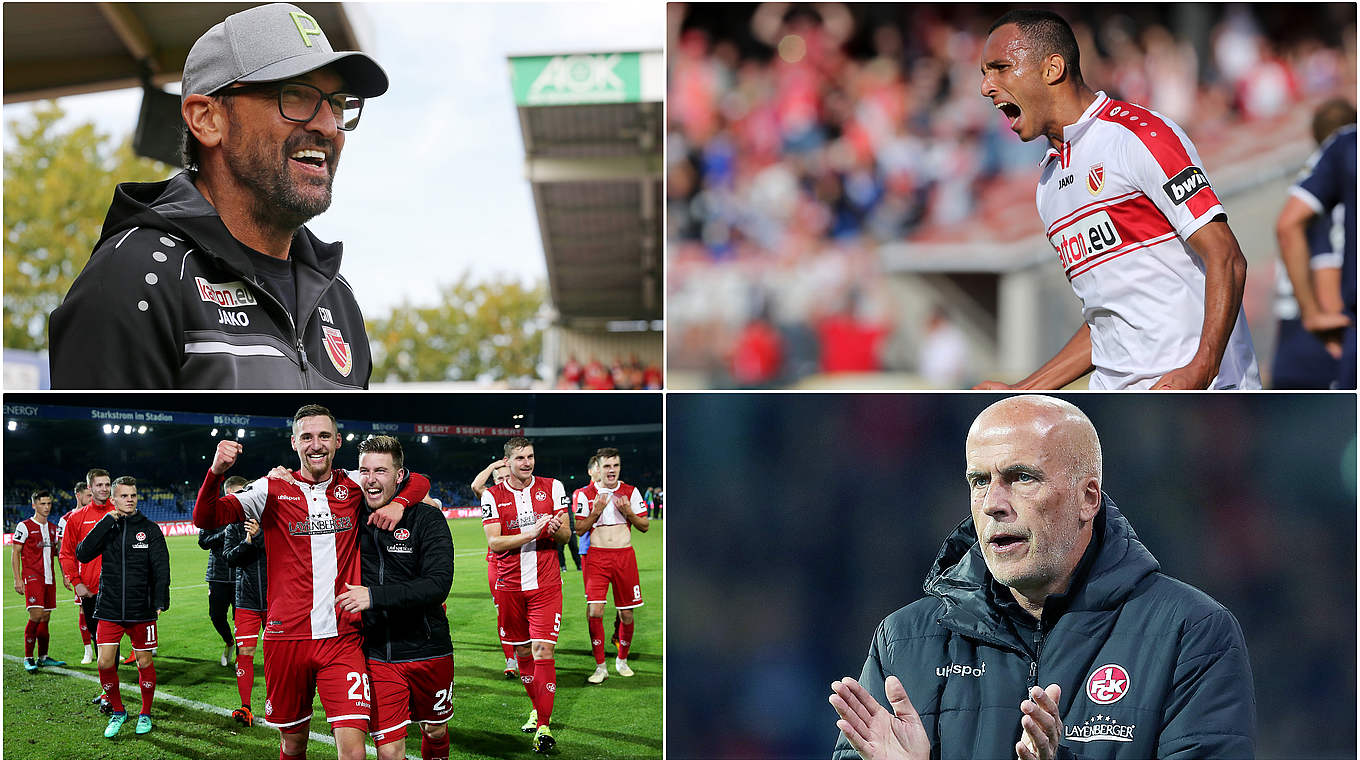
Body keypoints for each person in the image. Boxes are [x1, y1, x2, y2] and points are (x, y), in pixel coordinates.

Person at [829, 395, 1255, 760]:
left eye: (1021, 477)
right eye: (979, 481)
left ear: (1087, 498)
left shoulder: (1190, 633)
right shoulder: (903, 640)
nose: (994, 503)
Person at [48, 2, 389, 389]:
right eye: (295, 96)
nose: (329, 126)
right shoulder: (137, 276)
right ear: (207, 119)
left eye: (340, 104)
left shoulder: (338, 299)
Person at [973, 10, 1259, 390]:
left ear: (1052, 68)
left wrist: (1201, 368)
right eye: (983, 73)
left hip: (1201, 399)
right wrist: (1024, 390)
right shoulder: (1047, 186)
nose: (986, 87)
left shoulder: (1140, 138)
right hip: (1119, 405)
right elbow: (1105, 319)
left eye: (1000, 68)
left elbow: (1227, 257)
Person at [193, 403, 429, 760]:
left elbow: (416, 480)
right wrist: (215, 472)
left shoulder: (353, 483)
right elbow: (205, 516)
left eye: (323, 436)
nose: (315, 444)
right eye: (307, 436)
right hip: (286, 638)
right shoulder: (269, 488)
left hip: (343, 638)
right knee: (293, 744)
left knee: (353, 752)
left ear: (337, 441)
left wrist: (399, 505)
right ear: (294, 443)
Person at [336, 436, 454, 760]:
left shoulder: (429, 519)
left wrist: (373, 596)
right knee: (388, 751)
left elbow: (437, 585)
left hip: (430, 648)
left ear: (399, 476)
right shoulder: (352, 512)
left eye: (381, 471)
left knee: (435, 730)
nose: (371, 479)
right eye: (365, 471)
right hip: (378, 654)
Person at [481, 437, 570, 753]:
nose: (527, 462)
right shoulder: (492, 495)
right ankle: (536, 706)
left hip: (546, 586)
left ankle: (543, 725)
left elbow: (566, 535)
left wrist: (555, 527)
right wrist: (534, 531)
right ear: (507, 462)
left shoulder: (553, 487)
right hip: (510, 587)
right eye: (520, 458)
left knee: (543, 651)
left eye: (531, 456)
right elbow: (494, 543)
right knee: (522, 654)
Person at [75, 477, 170, 739]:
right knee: (105, 662)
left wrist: (160, 600)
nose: (130, 499)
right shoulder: (108, 527)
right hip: (110, 607)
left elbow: (161, 567)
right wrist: (106, 522)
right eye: (124, 496)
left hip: (142, 609)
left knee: (144, 661)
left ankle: (145, 712)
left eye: (133, 495)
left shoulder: (150, 529)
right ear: (113, 500)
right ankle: (118, 710)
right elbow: (82, 553)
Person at [1276, 97, 1356, 389]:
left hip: (1291, 342)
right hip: (1323, 348)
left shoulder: (1311, 178)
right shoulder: (1337, 179)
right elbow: (1327, 269)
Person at [573, 447, 650, 684]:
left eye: (615, 465)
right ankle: (600, 666)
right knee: (595, 611)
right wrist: (596, 512)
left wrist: (628, 512)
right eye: (607, 466)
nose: (612, 470)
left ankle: (621, 660)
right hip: (597, 558)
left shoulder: (630, 492)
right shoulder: (586, 494)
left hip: (624, 557)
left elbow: (644, 525)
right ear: (599, 468)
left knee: (626, 614)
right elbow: (579, 529)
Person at [57, 468, 116, 708]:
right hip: (90, 591)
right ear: (89, 489)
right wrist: (76, 582)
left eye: (107, 484)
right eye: (99, 485)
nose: (104, 488)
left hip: (117, 591)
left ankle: (109, 696)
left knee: (112, 644)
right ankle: (107, 689)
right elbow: (66, 554)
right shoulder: (77, 518)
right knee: (98, 641)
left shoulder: (120, 511)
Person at [219, 475, 265, 727]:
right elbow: (229, 557)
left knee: (278, 655)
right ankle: (245, 706)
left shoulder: (271, 517)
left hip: (275, 598)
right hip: (245, 599)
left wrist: (258, 537)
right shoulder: (232, 527)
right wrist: (248, 541)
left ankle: (281, 703)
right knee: (245, 652)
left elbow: (283, 551)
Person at [471, 457, 519, 679]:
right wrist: (492, 466)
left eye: (506, 476)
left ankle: (527, 653)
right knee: (503, 613)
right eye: (499, 478)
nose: (503, 481)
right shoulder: (490, 497)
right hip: (497, 563)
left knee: (525, 611)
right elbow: (475, 486)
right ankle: (511, 659)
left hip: (522, 561)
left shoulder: (522, 496)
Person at [13, 489, 66, 672]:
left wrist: (66, 575)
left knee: (45, 617)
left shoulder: (52, 529)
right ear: (34, 505)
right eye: (42, 504)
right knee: (36, 616)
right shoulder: (24, 526)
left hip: (49, 578)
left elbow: (59, 555)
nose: (46, 507)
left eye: (49, 503)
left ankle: (43, 657)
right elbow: (16, 553)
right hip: (33, 577)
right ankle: (28, 657)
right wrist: (17, 578)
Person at [57, 481, 96, 663]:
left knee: (106, 610)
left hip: (100, 571)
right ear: (78, 495)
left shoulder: (98, 515)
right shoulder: (66, 519)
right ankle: (87, 650)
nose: (92, 498)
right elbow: (61, 550)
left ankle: (107, 646)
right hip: (80, 573)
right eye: (88, 495)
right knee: (83, 609)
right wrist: (67, 575)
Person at [199, 514, 237, 668]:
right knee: (216, 616)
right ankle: (229, 642)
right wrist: (224, 534)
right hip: (217, 576)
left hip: (241, 575)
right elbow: (203, 542)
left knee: (241, 619)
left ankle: (242, 656)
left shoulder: (246, 513)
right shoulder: (213, 515)